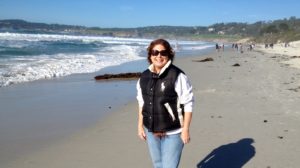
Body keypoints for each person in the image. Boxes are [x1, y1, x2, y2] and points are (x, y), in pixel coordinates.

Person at [136, 39, 194, 168]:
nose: (159, 56)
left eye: (163, 52)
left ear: (169, 55)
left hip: (173, 131)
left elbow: (188, 104)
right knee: (157, 164)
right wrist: (140, 126)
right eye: (155, 52)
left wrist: (185, 130)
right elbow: (142, 102)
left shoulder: (178, 76)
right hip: (151, 130)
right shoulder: (144, 77)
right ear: (150, 55)